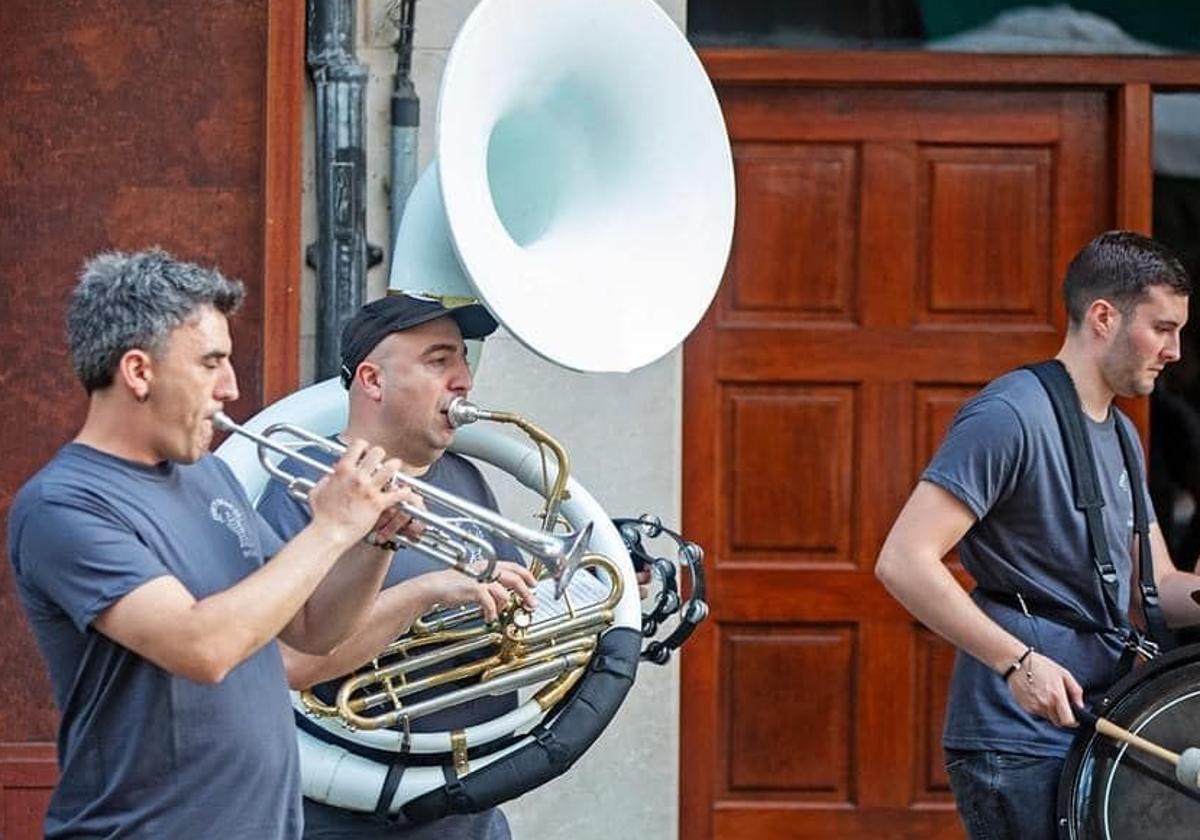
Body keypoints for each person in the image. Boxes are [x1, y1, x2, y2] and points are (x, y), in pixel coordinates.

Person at [7, 250, 424, 839]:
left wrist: (370, 541)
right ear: (138, 372)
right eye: (211, 363)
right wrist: (329, 527)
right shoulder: (65, 506)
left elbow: (312, 629)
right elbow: (203, 647)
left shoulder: (207, 475)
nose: (230, 387)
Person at [875, 230, 1200, 840]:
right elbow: (903, 560)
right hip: (1017, 742)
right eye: (1162, 328)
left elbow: (1149, 588)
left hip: (1101, 726)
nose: (1176, 350)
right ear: (1104, 316)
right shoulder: (1009, 414)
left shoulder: (1123, 435)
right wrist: (1015, 662)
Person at [257, 293, 539, 840]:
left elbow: (517, 617)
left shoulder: (465, 477)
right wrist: (425, 593)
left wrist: (605, 586)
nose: (463, 380)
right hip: (353, 818)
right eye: (439, 361)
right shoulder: (308, 484)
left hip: (469, 811)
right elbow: (291, 663)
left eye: (462, 359)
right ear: (373, 381)